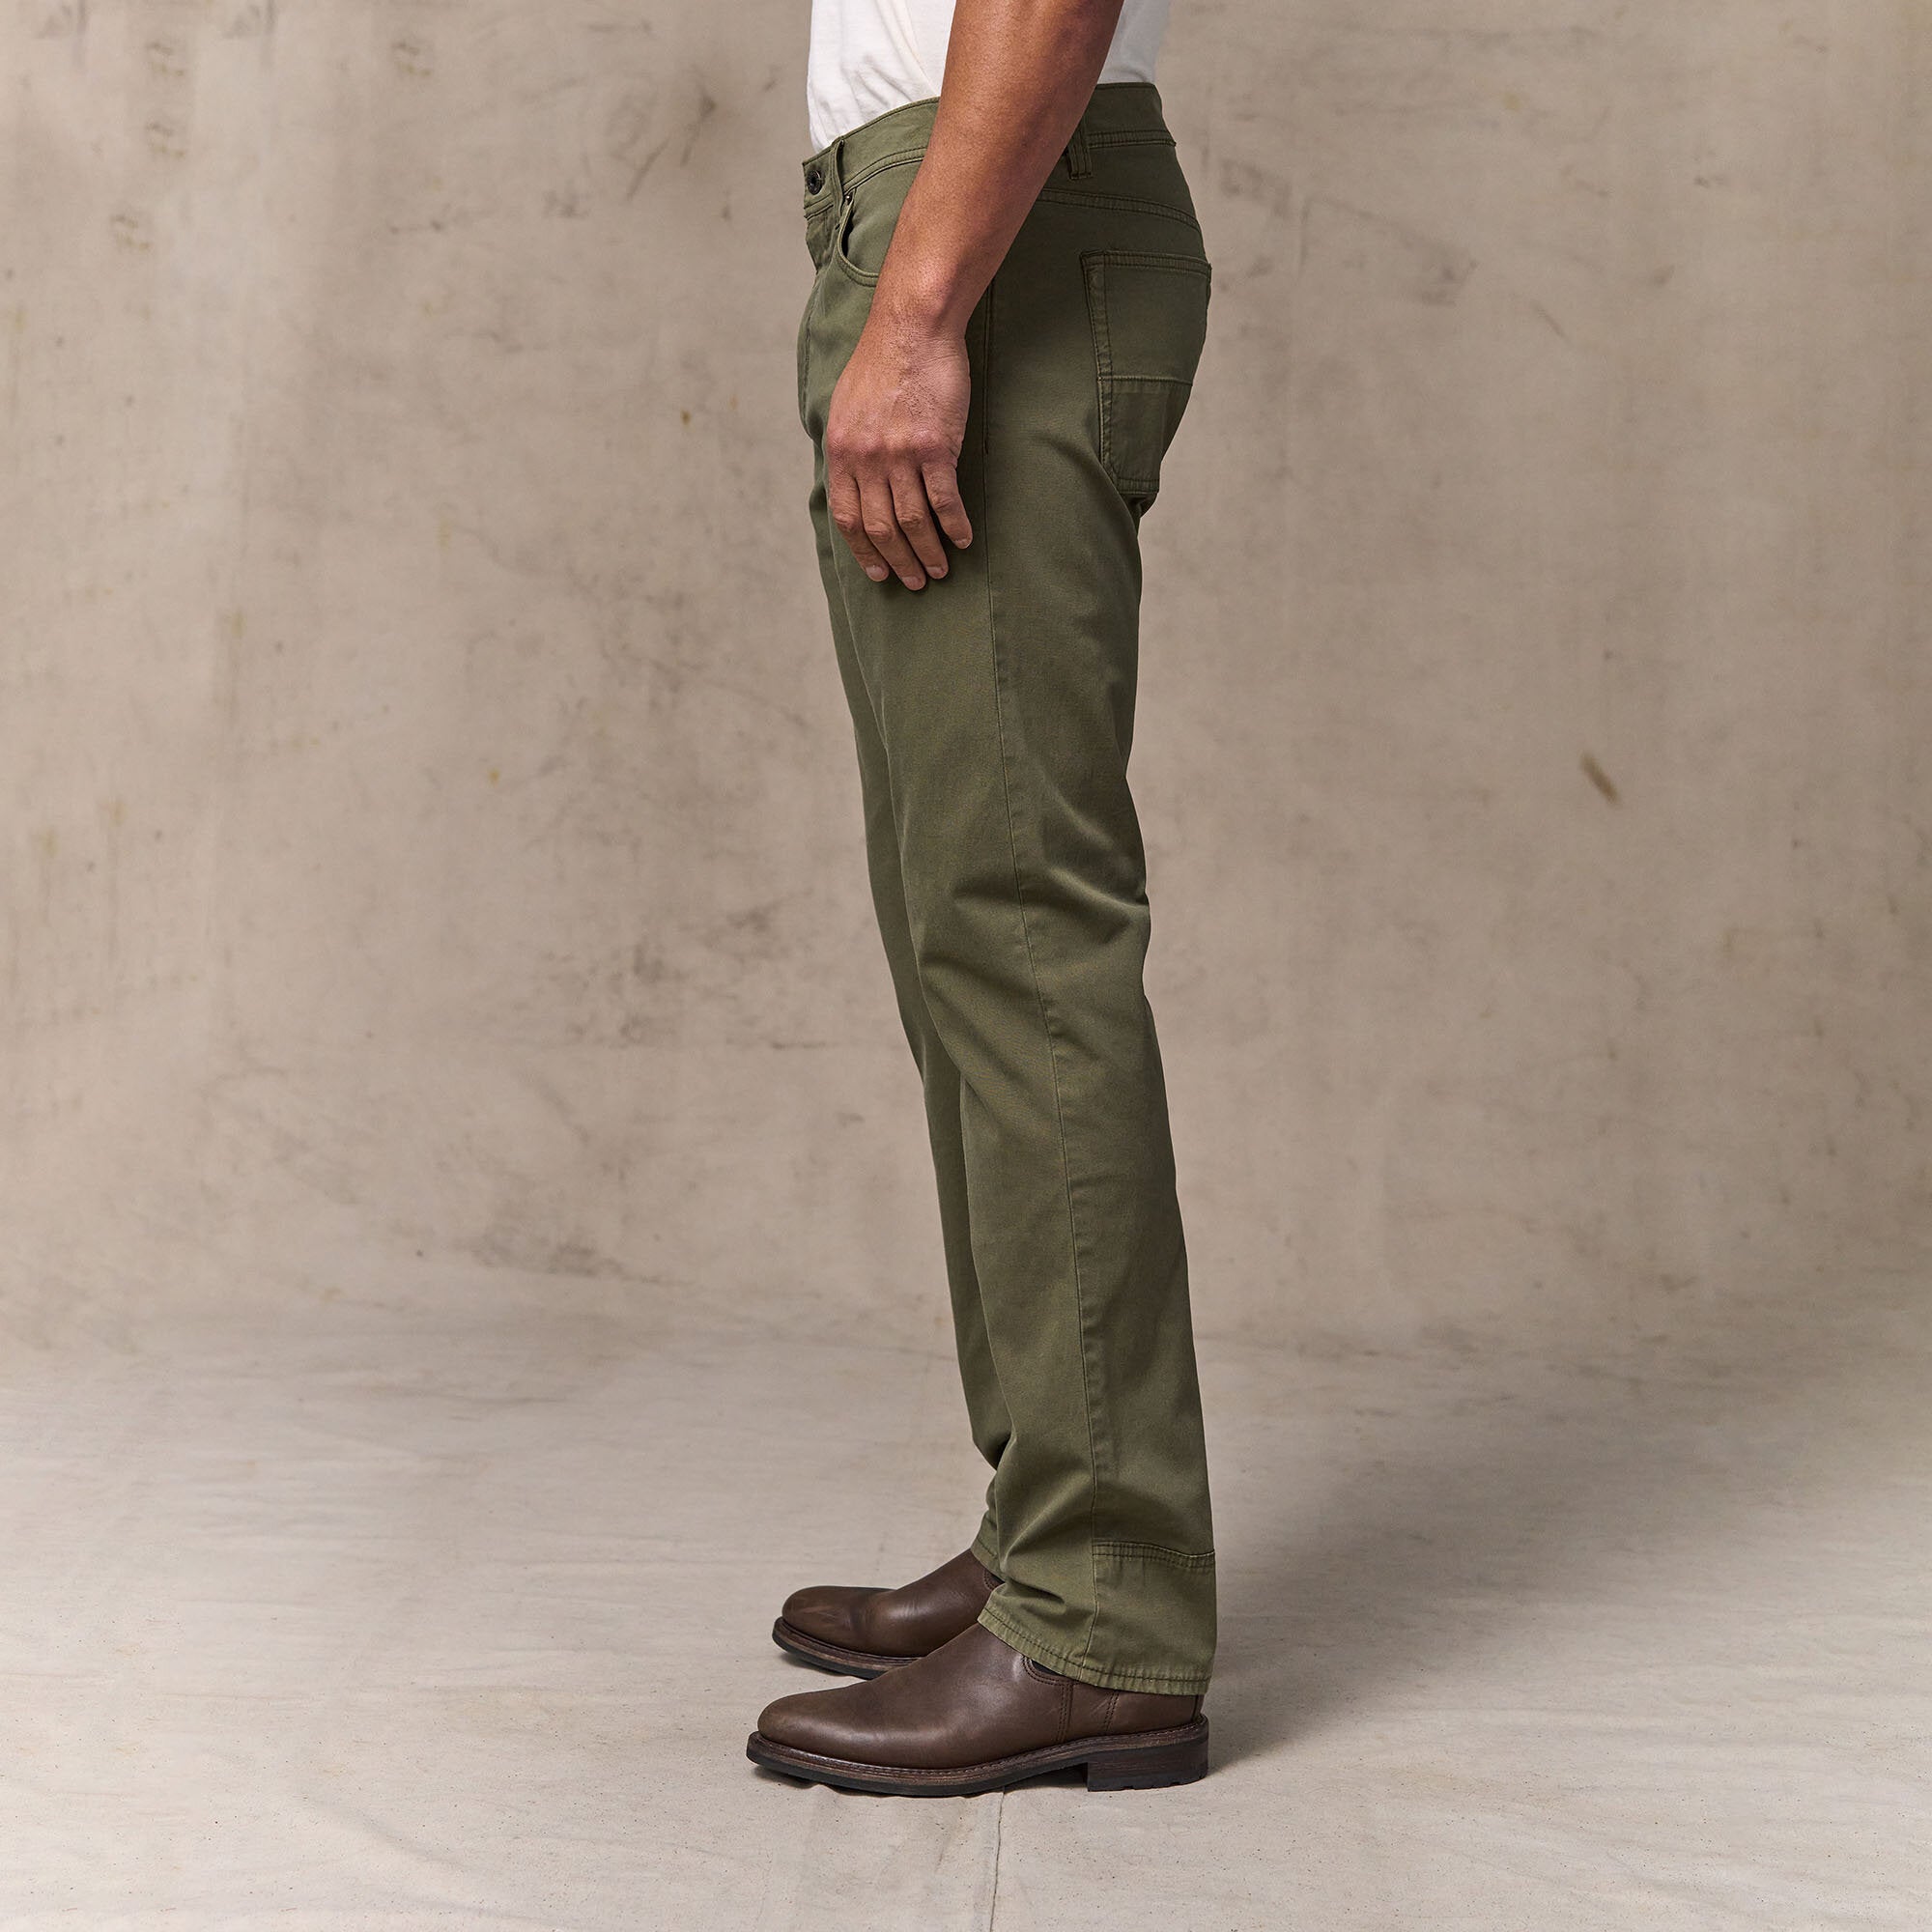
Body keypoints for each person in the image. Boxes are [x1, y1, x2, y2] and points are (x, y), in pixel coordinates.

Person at [746, 0, 1218, 1797]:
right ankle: (1050, 1527)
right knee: (960, 934)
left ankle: (1101, 1612)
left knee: (1021, 936)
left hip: (987, 216)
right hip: (961, 205)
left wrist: (921, 308)